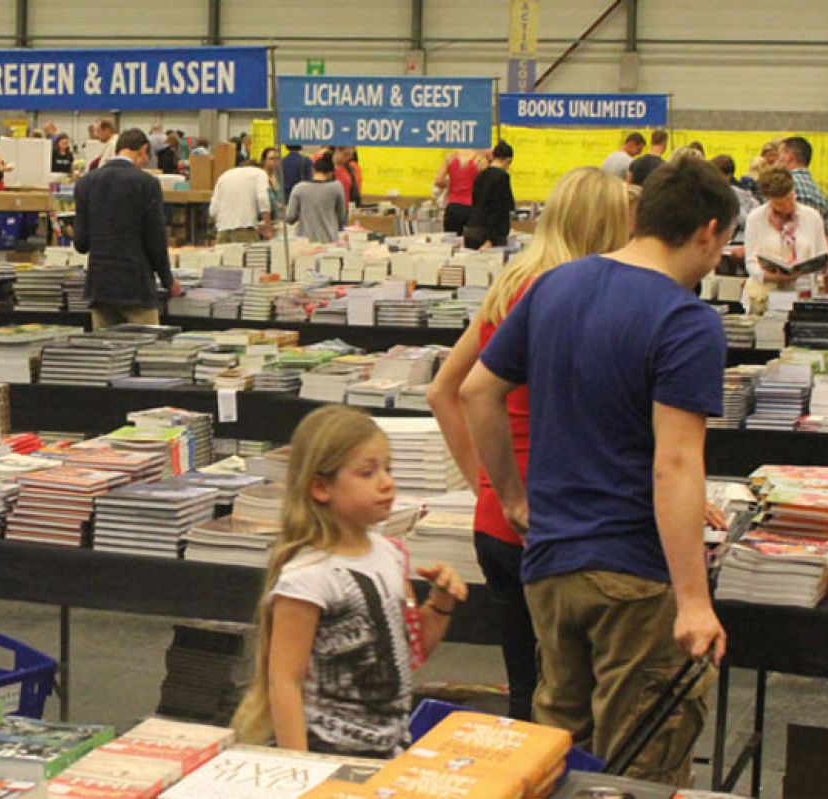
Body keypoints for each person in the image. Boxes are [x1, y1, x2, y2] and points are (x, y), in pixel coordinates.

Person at [460, 156, 736, 786]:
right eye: (722, 245)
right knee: (638, 766)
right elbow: (675, 461)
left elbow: (477, 391)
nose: (718, 259)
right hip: (634, 574)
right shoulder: (686, 320)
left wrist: (514, 499)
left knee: (557, 757)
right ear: (707, 231)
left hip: (551, 567)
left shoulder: (555, 286)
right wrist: (694, 599)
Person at [426, 167, 631, 723]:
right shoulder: (575, 298)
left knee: (525, 688)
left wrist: (488, 484)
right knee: (576, 701)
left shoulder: (512, 284)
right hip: (553, 521)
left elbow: (444, 391)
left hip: (500, 520)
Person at [231, 406, 466, 755]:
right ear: (321, 488)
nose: (387, 482)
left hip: (390, 750)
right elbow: (285, 682)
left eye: (388, 469)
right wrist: (301, 768)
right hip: (329, 753)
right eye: (367, 473)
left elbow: (406, 657)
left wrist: (440, 604)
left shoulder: (391, 554)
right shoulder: (308, 576)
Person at [72, 128, 181, 331]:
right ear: (143, 150)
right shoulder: (146, 183)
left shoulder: (85, 183)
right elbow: (155, 239)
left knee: (106, 357)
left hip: (100, 286)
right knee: (146, 351)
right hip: (136, 286)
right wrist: (168, 280)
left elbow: (81, 243)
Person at [741, 167, 828, 313]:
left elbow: (822, 256)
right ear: (769, 200)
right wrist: (772, 276)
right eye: (779, 204)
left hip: (803, 294)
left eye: (790, 198)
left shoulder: (812, 216)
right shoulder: (756, 218)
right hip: (764, 296)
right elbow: (751, 263)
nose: (787, 207)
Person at [286, 153, 347, 244]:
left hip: (304, 241)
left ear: (313, 170)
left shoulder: (299, 187)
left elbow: (289, 217)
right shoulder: (337, 187)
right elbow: (341, 218)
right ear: (331, 173)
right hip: (329, 240)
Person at [210, 157, 274, 244]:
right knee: (249, 257)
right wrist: (267, 228)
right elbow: (263, 200)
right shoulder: (260, 173)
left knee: (225, 257)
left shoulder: (224, 176)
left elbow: (213, 211)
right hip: (245, 231)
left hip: (222, 232)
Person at [464, 140, 514, 249]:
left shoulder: (480, 176)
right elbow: (499, 209)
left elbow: (476, 203)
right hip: (487, 234)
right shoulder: (502, 177)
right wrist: (492, 239)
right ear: (508, 160)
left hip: (472, 229)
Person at [777, 136, 828, 233]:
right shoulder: (821, 195)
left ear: (789, 158)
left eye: (779, 156)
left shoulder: (780, 187)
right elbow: (827, 239)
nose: (777, 161)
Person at [436, 148, 486, 236]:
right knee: (471, 243)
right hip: (471, 207)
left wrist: (450, 183)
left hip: (453, 207)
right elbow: (486, 184)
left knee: (451, 241)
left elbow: (438, 181)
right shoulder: (480, 160)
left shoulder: (450, 157)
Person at [710, 154, 757, 246]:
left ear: (729, 175)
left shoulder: (739, 194)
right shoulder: (709, 193)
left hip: (738, 242)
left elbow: (747, 222)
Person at [259, 147, 282, 218]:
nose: (275, 161)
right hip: (262, 220)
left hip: (276, 219)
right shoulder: (260, 177)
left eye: (277, 159)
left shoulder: (278, 177)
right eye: (271, 159)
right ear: (264, 161)